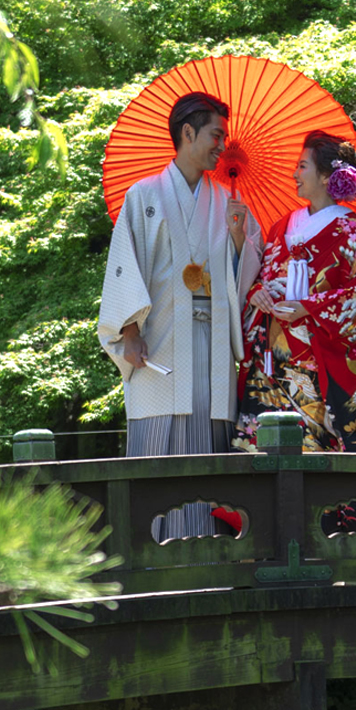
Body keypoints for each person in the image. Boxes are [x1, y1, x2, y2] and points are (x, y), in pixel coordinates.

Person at [98, 92, 263, 459]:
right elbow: (126, 266)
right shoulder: (143, 196)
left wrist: (239, 241)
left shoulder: (228, 204)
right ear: (188, 133)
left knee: (210, 445)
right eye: (216, 136)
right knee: (157, 450)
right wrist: (130, 332)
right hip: (159, 337)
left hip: (212, 340)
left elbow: (251, 277)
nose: (222, 146)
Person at [232, 130, 356, 453]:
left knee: (319, 457)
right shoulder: (282, 226)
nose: (294, 174)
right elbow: (261, 277)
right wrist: (257, 293)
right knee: (262, 452)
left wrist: (308, 307)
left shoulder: (349, 229)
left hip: (318, 357)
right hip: (271, 362)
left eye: (302, 167)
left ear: (326, 176)